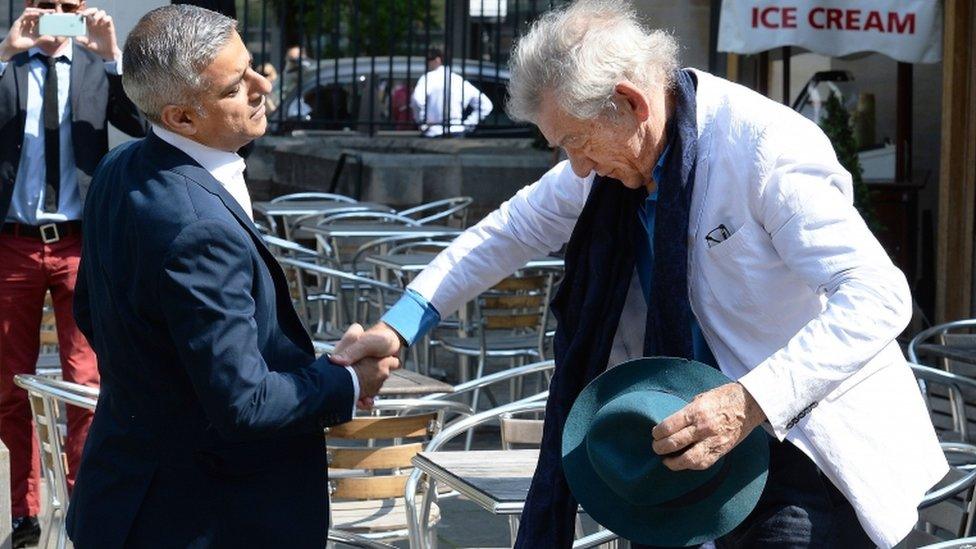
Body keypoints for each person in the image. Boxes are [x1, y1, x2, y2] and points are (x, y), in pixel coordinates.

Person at [332, 1, 947, 547]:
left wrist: (751, 399)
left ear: (629, 102)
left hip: (805, 443)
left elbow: (879, 297)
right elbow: (507, 231)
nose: (573, 165)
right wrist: (401, 324)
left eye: (573, 140)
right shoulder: (609, 161)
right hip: (689, 435)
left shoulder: (764, 149)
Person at [66, 5, 397, 547]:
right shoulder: (198, 227)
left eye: (252, 65)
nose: (262, 84)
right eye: (234, 85)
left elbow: (96, 317)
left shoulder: (119, 166)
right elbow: (244, 404)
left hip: (130, 495)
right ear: (181, 118)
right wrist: (349, 379)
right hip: (201, 516)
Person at [0, 0, 144, 545]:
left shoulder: (92, 67)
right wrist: (6, 50)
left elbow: (139, 123)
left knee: (85, 381)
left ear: (81, 10)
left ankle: (85, 502)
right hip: (12, 242)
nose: (56, 14)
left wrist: (112, 59)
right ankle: (23, 510)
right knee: (10, 387)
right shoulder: (9, 65)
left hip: (79, 242)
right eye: (46, 4)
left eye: (68, 6)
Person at [410, 47, 493, 137]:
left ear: (438, 60)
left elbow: (416, 100)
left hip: (433, 132)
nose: (427, 63)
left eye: (429, 59)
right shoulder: (458, 80)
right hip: (456, 131)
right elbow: (486, 105)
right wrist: (468, 124)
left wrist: (422, 123)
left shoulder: (428, 78)